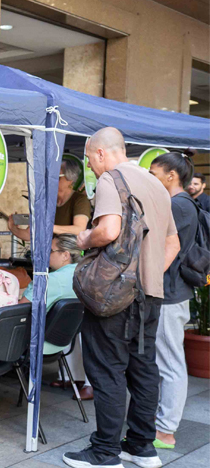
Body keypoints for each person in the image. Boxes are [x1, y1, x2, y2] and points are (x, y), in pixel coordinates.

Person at [64, 127, 179, 468]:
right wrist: (148, 274)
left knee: (106, 370)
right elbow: (172, 244)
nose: (89, 164)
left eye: (88, 157)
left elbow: (109, 230)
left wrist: (84, 239)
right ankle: (142, 448)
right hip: (150, 295)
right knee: (144, 370)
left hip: (115, 296)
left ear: (101, 153)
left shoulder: (112, 180)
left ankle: (105, 452)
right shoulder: (156, 185)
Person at [149, 152, 198, 451]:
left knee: (170, 363)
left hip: (170, 294)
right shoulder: (181, 204)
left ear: (171, 176)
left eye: (153, 174)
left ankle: (166, 430)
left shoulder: (178, 205)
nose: (150, 179)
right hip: (171, 293)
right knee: (165, 361)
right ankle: (160, 423)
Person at [19, 234, 90, 397]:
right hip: (64, 342)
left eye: (50, 251)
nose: (46, 254)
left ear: (65, 255)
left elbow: (19, 309)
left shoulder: (50, 280)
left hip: (37, 344)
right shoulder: (85, 276)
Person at [8, 157, 92, 240]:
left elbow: (79, 229)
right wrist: (13, 228)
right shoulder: (46, 201)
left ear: (70, 179)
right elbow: (30, 234)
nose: (50, 181)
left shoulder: (80, 200)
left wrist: (47, 227)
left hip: (69, 249)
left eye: (56, 177)